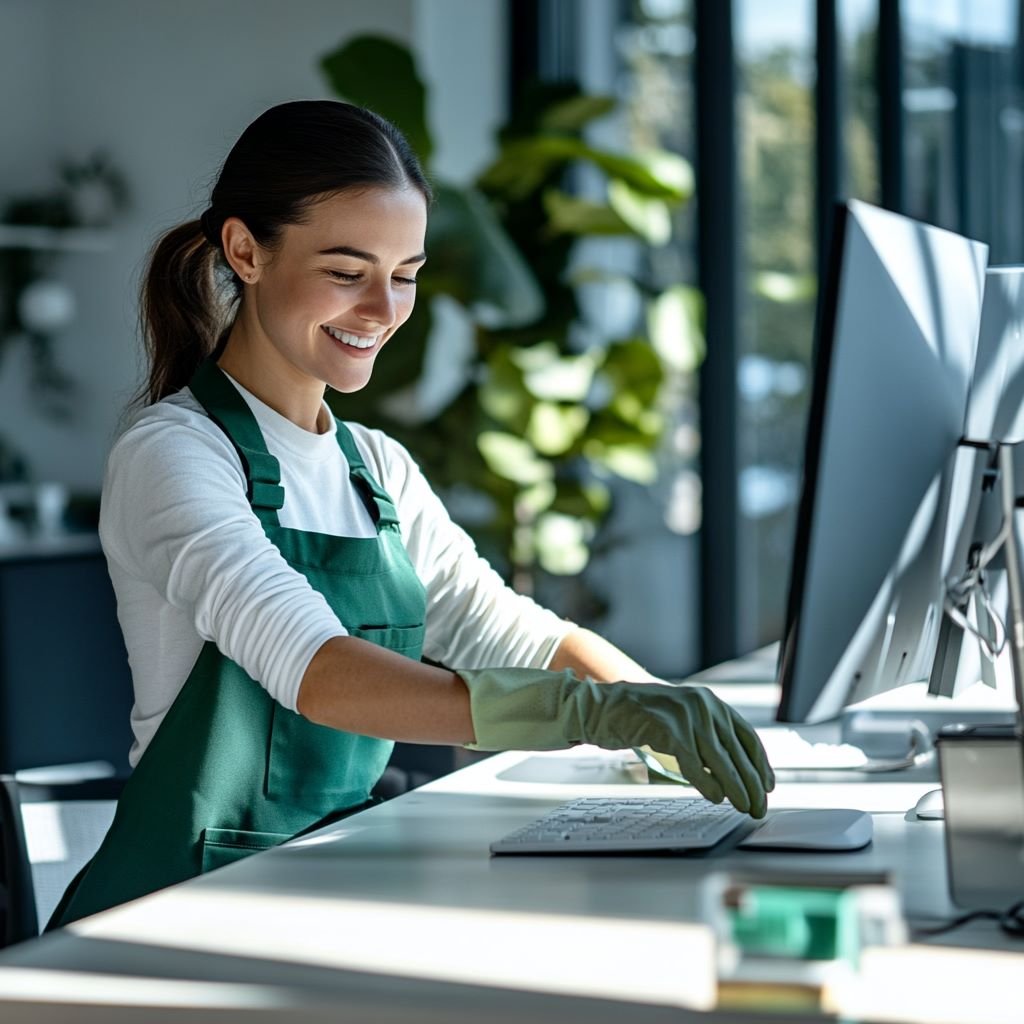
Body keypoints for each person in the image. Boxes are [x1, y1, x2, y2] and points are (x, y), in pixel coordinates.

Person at [50, 100, 773, 928]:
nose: (384, 310)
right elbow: (316, 670)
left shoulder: (376, 469)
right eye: (346, 271)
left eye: (405, 275)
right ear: (245, 252)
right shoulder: (174, 452)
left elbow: (508, 632)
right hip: (177, 916)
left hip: (321, 885)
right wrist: (592, 715)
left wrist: (670, 713)